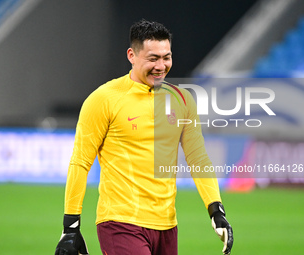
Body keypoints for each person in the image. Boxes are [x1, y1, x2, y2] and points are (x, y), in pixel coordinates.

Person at [55, 19, 233, 255]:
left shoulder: (182, 100)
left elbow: (197, 158)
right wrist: (71, 227)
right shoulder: (103, 99)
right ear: (132, 55)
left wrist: (216, 209)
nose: (161, 66)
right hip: (120, 222)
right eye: (153, 58)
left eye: (166, 57)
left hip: (167, 226)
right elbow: (80, 162)